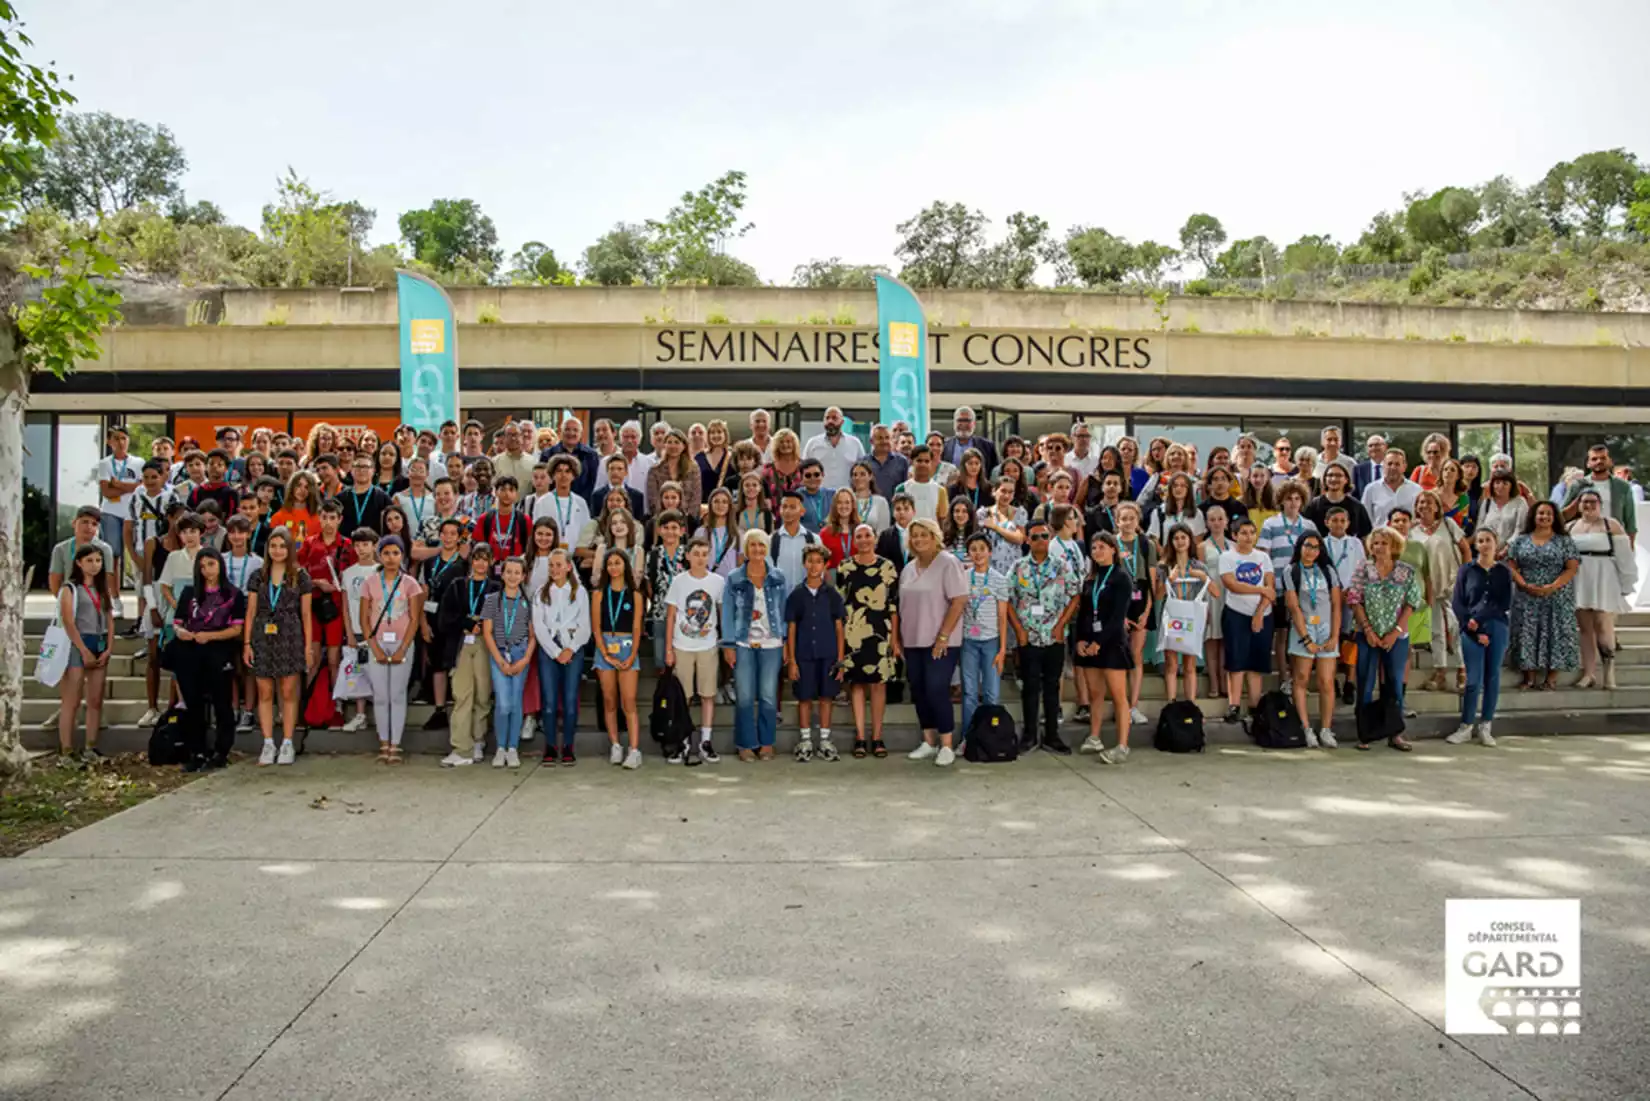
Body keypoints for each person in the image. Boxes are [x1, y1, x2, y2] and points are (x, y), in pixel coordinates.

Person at [1007, 516, 1083, 754]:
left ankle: (1052, 735)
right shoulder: (1019, 567)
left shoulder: (1061, 566)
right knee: (1029, 688)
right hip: (1028, 636)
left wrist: (1062, 624)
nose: (1041, 540)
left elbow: (1075, 595)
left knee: (1052, 688)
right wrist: (1019, 629)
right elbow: (1007, 599)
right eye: (1036, 536)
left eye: (1045, 536)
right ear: (1028, 540)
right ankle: (1029, 735)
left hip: (1054, 636)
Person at [1344, 526, 1422, 750]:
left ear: (1394, 546)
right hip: (1367, 634)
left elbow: (1412, 602)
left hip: (1396, 636)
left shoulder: (1405, 571)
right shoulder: (1363, 568)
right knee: (1365, 682)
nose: (1379, 547)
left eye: (1384, 543)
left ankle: (1395, 733)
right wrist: (1368, 630)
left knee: (1395, 684)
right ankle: (1365, 734)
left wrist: (1395, 632)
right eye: (1375, 543)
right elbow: (1354, 599)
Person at [243, 527, 316, 766]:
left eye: (282, 546)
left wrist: (307, 646)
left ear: (290, 548)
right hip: (263, 635)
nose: (277, 551)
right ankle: (267, 742)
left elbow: (306, 614)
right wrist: (247, 643)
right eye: (273, 546)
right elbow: (251, 611)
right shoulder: (258, 576)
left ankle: (287, 742)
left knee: (287, 691)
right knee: (265, 691)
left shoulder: (300, 575)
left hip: (290, 634)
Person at [898, 519, 967, 766]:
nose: (918, 539)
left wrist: (943, 636)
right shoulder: (908, 568)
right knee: (918, 689)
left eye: (923, 534)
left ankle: (946, 744)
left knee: (937, 688)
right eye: (914, 535)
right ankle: (928, 741)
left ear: (934, 536)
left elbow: (959, 600)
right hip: (913, 640)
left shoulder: (948, 563)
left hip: (941, 641)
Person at [722, 529, 788, 760]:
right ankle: (746, 743)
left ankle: (767, 742)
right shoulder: (734, 578)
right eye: (753, 545)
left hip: (772, 644)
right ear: (746, 549)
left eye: (761, 545)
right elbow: (728, 612)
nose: (757, 550)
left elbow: (783, 612)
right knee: (745, 696)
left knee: (768, 696)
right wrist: (728, 645)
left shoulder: (778, 577)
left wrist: (786, 642)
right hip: (743, 643)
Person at [356, 535, 422, 762]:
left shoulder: (410, 583)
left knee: (397, 694)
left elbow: (414, 618)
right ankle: (383, 741)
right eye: (386, 553)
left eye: (396, 553)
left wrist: (404, 647)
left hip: (402, 642)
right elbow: (364, 618)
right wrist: (374, 647)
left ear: (402, 555)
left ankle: (396, 744)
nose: (391, 558)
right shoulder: (370, 582)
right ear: (379, 555)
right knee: (381, 695)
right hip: (378, 641)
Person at [837, 524, 900, 758]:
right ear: (854, 540)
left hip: (881, 631)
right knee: (857, 685)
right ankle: (861, 737)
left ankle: (878, 736)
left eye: (867, 536)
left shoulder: (887, 567)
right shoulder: (845, 566)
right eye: (859, 536)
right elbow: (841, 605)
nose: (863, 540)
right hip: (854, 632)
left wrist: (895, 637)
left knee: (878, 684)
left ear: (875, 538)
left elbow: (893, 605)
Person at [1073, 531, 1135, 763]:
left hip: (1111, 644)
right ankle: (1095, 736)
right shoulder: (1090, 579)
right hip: (1090, 644)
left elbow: (1117, 617)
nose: (1097, 551)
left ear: (1113, 549)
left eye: (1102, 547)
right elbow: (1084, 613)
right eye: (1094, 547)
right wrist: (1081, 640)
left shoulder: (1121, 578)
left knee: (1119, 695)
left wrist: (1100, 642)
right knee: (1095, 693)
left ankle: (1122, 745)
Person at [665, 537, 728, 765]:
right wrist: (668, 649)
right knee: (685, 697)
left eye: (704, 553)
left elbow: (722, 613)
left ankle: (706, 741)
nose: (701, 558)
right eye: (696, 553)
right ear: (688, 556)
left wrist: (725, 642)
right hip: (682, 645)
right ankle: (683, 743)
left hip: (707, 645)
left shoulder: (718, 582)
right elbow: (671, 616)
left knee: (708, 694)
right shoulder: (679, 581)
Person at [1447, 529, 1512, 747]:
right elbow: (1458, 601)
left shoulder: (1503, 571)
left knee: (1492, 676)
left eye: (1488, 541)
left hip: (1496, 625)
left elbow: (1503, 602)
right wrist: (1472, 626)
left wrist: (1482, 623)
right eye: (1480, 541)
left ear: (1496, 544)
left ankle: (1486, 725)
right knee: (1473, 679)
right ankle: (1466, 725)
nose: (1484, 545)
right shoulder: (1467, 570)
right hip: (1470, 628)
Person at [1507, 501, 1581, 691]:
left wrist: (1552, 586)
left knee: (1555, 631)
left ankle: (1551, 678)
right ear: (1533, 516)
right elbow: (1511, 564)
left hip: (1556, 594)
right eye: (1541, 513)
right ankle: (1529, 677)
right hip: (1526, 594)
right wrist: (1523, 583)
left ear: (1555, 517)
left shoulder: (1564, 541)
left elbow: (1572, 568)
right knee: (1527, 633)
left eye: (1549, 514)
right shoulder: (1521, 540)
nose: (1544, 517)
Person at [782, 546, 846, 762]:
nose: (814, 565)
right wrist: (791, 660)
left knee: (827, 696)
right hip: (804, 655)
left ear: (825, 565)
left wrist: (840, 659)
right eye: (810, 561)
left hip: (828, 655)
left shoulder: (832, 595)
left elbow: (839, 627)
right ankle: (805, 739)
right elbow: (791, 628)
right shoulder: (796, 595)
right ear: (804, 564)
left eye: (819, 561)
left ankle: (825, 740)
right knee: (805, 697)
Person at [436, 545, 498, 767]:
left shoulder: (495, 588)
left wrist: (483, 626)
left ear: (491, 562)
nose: (481, 563)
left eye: (485, 559)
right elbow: (444, 618)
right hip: (462, 643)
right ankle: (461, 746)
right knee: (463, 694)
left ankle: (478, 739)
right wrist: (466, 623)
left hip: (486, 643)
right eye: (477, 559)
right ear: (471, 561)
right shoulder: (457, 586)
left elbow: (501, 618)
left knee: (482, 694)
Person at [1566, 489, 1634, 689]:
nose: (1588, 505)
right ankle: (1588, 673)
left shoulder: (1610, 525)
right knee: (1585, 628)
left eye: (1592, 501)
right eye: (1584, 502)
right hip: (1579, 577)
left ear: (1600, 504)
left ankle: (1609, 672)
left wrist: (1626, 582)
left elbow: (1624, 556)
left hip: (1604, 576)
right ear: (1578, 505)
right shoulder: (1571, 527)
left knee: (1603, 624)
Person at [530, 547, 590, 765]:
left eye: (558, 565)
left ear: (568, 566)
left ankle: (568, 745)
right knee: (549, 701)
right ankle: (550, 744)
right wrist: (555, 652)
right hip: (549, 650)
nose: (554, 569)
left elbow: (585, 626)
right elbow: (539, 626)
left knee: (570, 699)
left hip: (572, 648)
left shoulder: (579, 592)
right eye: (551, 566)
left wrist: (570, 649)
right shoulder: (541, 593)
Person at [1282, 533, 1342, 748]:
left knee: (1326, 681)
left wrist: (1335, 635)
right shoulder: (1292, 571)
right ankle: (1306, 728)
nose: (1311, 551)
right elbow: (1294, 606)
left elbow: (1336, 605)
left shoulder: (1328, 571)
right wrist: (1306, 638)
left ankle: (1326, 729)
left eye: (1316, 548)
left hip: (1326, 629)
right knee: (1301, 678)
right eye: (1307, 546)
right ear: (1300, 546)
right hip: (1303, 630)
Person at [55, 545, 114, 761]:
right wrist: (82, 650)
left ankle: (91, 747)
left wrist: (109, 647)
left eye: (98, 561)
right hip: (77, 643)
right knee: (72, 699)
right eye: (89, 560)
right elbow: (68, 622)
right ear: (79, 563)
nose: (94, 565)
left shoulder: (102, 587)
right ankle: (67, 750)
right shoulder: (70, 588)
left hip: (99, 641)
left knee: (95, 699)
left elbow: (109, 617)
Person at [1413, 491, 1470, 693]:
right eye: (1420, 502)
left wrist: (1466, 575)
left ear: (1437, 506)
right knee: (1436, 630)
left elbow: (1465, 549)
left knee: (1455, 627)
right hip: (1428, 587)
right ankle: (1440, 671)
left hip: (1453, 582)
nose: (1424, 505)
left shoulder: (1448, 524)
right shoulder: (1413, 531)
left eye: (1429, 502)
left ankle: (1463, 670)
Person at [482, 556, 536, 768]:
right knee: (503, 703)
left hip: (520, 653)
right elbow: (487, 633)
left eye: (517, 573)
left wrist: (525, 660)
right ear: (502, 574)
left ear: (523, 576)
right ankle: (500, 747)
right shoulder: (492, 600)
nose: (513, 576)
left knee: (515, 703)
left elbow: (532, 636)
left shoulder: (527, 602)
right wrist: (499, 660)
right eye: (509, 572)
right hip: (499, 654)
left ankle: (512, 747)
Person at [1219, 518, 1273, 724]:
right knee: (1236, 662)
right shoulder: (1228, 557)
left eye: (1252, 532)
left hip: (1263, 614)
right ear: (1234, 536)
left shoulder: (1263, 557)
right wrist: (1259, 589)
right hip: (1236, 613)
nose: (1248, 537)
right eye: (1243, 533)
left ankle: (1254, 705)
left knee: (1256, 664)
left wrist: (1260, 612)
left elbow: (1270, 586)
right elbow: (1232, 584)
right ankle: (1233, 705)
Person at [956, 532, 1010, 740]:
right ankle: (968, 738)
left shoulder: (999, 580)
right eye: (973, 549)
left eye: (982, 549)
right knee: (969, 693)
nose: (978, 554)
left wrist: (1003, 649)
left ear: (990, 552)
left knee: (991, 693)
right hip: (969, 641)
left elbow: (1003, 617)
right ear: (969, 553)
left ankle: (990, 737)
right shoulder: (963, 577)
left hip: (991, 642)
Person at [1156, 523, 1212, 705]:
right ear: (1170, 542)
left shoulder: (1199, 566)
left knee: (1189, 664)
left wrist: (1204, 578)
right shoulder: (1163, 566)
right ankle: (1171, 704)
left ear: (1190, 540)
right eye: (1176, 538)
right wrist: (1169, 580)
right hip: (1171, 616)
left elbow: (1216, 592)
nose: (1180, 542)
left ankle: (1191, 705)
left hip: (1192, 616)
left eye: (1183, 538)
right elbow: (1157, 595)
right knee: (1171, 663)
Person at [94, 424, 141, 619]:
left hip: (133, 514)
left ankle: (141, 599)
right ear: (109, 442)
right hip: (110, 513)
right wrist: (128, 487)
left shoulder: (138, 462)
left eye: (123, 438)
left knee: (137, 555)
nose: (120, 442)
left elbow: (141, 486)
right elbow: (106, 491)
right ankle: (115, 600)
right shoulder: (105, 464)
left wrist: (119, 484)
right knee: (112, 557)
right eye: (116, 438)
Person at [1561, 443, 1638, 546]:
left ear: (1610, 462)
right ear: (1588, 463)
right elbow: (1562, 516)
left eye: (1603, 458)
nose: (1599, 461)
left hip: (1614, 540)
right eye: (1594, 459)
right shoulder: (1578, 486)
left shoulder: (1622, 486)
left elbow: (1630, 521)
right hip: (1584, 540)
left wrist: (1630, 547)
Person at [1199, 503, 1232, 699]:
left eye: (1220, 519)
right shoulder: (1202, 547)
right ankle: (1213, 683)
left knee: (1226, 642)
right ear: (1207, 523)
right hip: (1210, 597)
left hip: (1229, 597)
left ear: (1226, 522)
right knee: (1211, 642)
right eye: (1212, 519)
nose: (1217, 523)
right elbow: (1201, 575)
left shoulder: (1234, 545)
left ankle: (1225, 682)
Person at [1305, 462, 1372, 541]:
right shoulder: (1314, 505)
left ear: (1346, 479)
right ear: (1325, 479)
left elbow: (1366, 535)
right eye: (1330, 475)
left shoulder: (1356, 506)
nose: (1334, 479)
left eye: (1338, 476)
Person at [647, 427, 703, 519]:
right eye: (669, 442)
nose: (673, 446)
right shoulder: (655, 470)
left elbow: (696, 498)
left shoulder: (693, 468)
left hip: (687, 520)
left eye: (677, 442)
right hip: (661, 520)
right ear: (664, 445)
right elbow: (653, 499)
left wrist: (686, 519)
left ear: (684, 446)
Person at [803, 406, 864, 489]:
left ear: (842, 422)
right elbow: (804, 471)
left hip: (847, 497)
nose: (830, 421)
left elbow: (863, 470)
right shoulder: (812, 443)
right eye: (827, 418)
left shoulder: (855, 443)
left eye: (834, 418)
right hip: (819, 496)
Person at [1361, 450, 1422, 527]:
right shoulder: (1371, 489)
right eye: (1389, 464)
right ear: (1383, 466)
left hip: (1409, 537)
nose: (1393, 467)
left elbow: (1420, 518)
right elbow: (1364, 520)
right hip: (1381, 537)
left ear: (1404, 467)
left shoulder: (1416, 490)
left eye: (1397, 464)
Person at [896, 446, 948, 523]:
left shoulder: (940, 490)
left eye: (927, 461)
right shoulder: (902, 488)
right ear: (912, 462)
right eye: (919, 461)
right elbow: (899, 518)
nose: (923, 464)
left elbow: (943, 520)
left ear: (931, 463)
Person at [943, 406, 999, 473]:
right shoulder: (944, 445)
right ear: (954, 423)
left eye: (967, 420)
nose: (963, 424)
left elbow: (994, 473)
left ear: (974, 424)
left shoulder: (988, 446)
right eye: (960, 420)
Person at [760, 428, 805, 511]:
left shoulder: (804, 467)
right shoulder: (768, 470)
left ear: (794, 444)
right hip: (775, 517)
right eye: (781, 442)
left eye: (788, 441)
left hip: (800, 516)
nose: (785, 444)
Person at [865, 423, 910, 502]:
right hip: (871, 510)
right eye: (880, 438)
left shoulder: (902, 461)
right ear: (871, 441)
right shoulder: (863, 462)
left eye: (887, 438)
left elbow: (906, 489)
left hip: (895, 510)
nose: (884, 441)